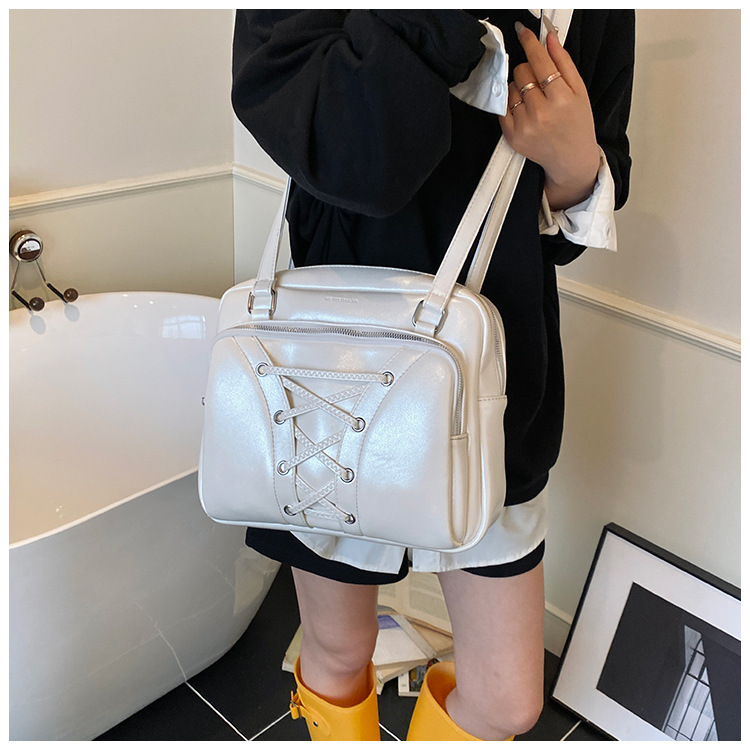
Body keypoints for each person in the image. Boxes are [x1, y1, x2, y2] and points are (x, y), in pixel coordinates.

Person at [231, 9, 634, 741]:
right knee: (337, 648)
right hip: (331, 363)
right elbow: (348, 156)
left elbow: (572, 214)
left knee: (507, 700)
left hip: (493, 374)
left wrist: (575, 164)